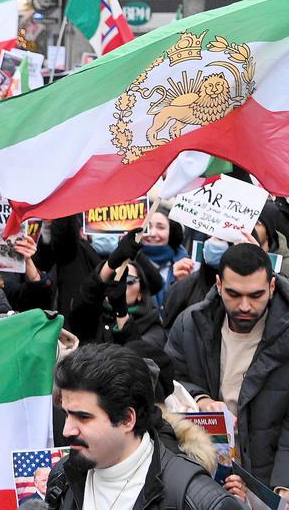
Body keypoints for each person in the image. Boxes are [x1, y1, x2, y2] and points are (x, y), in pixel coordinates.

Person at [46, 343, 240, 510]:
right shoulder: (62, 477)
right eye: (66, 414)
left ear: (127, 419)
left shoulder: (199, 500)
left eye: (83, 417)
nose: (67, 430)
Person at [166, 243, 289, 492]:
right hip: (205, 472)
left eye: (256, 295)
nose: (244, 306)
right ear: (219, 285)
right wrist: (201, 399)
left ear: (272, 287)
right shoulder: (190, 324)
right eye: (234, 294)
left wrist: (283, 487)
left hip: (268, 479)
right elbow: (169, 377)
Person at [140, 210, 193, 315]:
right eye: (147, 227)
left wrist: (182, 284)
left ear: (172, 232)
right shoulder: (127, 264)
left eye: (160, 227)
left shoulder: (187, 266)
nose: (152, 233)